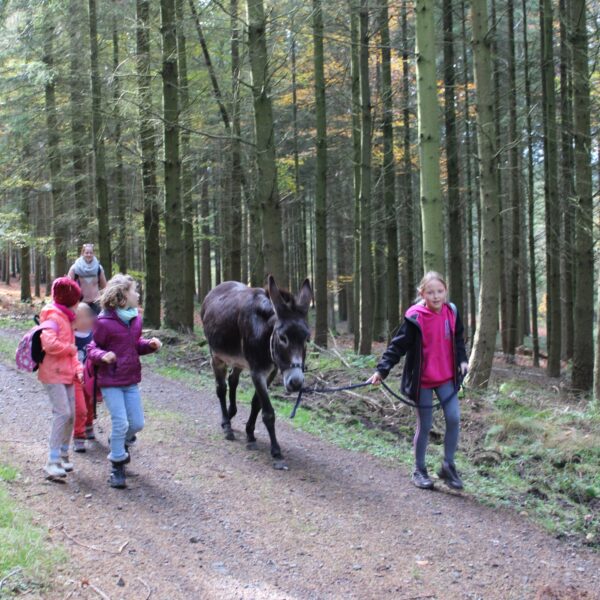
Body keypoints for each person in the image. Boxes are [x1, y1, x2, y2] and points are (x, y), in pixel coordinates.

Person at [367, 271, 468, 490]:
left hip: (446, 378)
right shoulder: (416, 318)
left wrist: (462, 360)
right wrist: (381, 371)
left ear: (446, 291)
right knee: (425, 425)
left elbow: (458, 339)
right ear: (422, 293)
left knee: (454, 418)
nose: (436, 296)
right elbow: (397, 346)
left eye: (440, 291)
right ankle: (419, 470)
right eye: (430, 292)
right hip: (422, 380)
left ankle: (448, 466)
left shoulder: (451, 312)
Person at [87, 274, 161, 489]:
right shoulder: (103, 322)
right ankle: (117, 466)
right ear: (121, 297)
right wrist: (103, 356)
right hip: (110, 380)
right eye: (134, 291)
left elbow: (134, 345)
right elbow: (92, 348)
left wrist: (149, 345)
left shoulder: (135, 320)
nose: (138, 294)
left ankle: (117, 441)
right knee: (121, 423)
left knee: (137, 423)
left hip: (130, 379)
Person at [38, 277, 83, 480]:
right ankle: (52, 461)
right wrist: (69, 348)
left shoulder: (67, 318)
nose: (77, 305)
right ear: (68, 300)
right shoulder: (53, 316)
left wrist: (78, 368)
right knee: (62, 413)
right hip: (52, 373)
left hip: (66, 373)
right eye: (76, 300)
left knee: (72, 414)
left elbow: (72, 353)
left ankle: (64, 455)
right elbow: (48, 344)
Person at [72, 303, 97, 453]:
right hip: (75, 377)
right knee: (80, 407)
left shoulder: (93, 336)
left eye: (85, 317)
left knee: (90, 403)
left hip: (90, 376)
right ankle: (78, 436)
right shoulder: (69, 335)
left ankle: (88, 425)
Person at [68, 244, 107, 314]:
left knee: (96, 324)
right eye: (86, 252)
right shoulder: (75, 268)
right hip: (81, 304)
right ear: (82, 253)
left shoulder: (98, 268)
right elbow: (69, 287)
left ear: (93, 254)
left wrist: (104, 301)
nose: (89, 255)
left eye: (91, 253)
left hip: (96, 304)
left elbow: (104, 287)